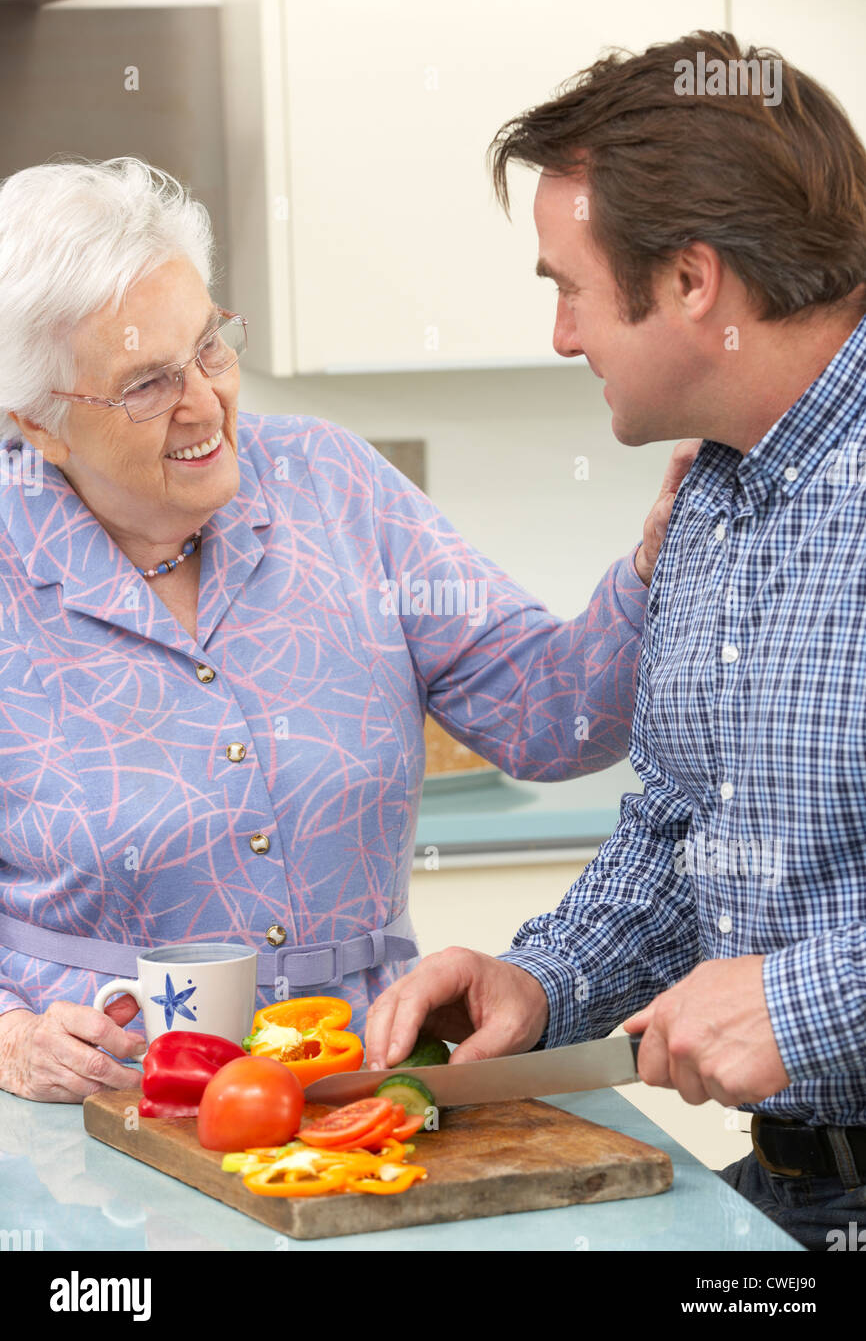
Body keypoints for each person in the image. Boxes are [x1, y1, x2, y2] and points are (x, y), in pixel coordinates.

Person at [0, 156, 691, 1103]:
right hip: (103, 1115)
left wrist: (654, 569)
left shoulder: (332, 484)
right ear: (38, 423)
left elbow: (551, 713)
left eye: (209, 347)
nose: (204, 402)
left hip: (360, 1091)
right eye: (146, 383)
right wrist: (10, 1038)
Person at [365, 29, 866, 1252]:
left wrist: (807, 1007)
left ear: (690, 281)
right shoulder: (710, 491)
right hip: (800, 1191)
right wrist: (540, 986)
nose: (561, 335)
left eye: (565, 285)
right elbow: (677, 827)